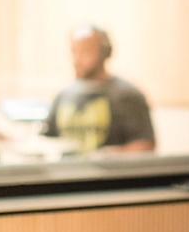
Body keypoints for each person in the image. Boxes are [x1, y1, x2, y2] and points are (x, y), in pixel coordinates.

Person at [43, 25, 155, 154]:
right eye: (74, 51)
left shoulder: (127, 95)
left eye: (85, 52)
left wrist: (111, 156)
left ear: (105, 52)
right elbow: (47, 139)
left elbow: (146, 145)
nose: (77, 59)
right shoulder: (63, 96)